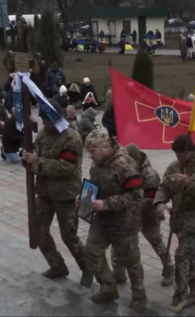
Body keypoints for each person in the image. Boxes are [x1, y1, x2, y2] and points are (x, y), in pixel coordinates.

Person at [21, 99, 88, 281]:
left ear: (55, 118)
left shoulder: (71, 137)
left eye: (46, 120)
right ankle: (57, 266)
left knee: (69, 236)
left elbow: (66, 167)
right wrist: (27, 158)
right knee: (38, 230)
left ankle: (87, 269)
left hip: (65, 195)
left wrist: (38, 162)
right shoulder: (43, 134)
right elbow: (35, 154)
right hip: (44, 192)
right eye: (42, 120)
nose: (44, 124)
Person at [83, 130, 146, 311]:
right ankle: (108, 287)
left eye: (92, 151)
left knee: (130, 260)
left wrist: (108, 203)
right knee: (92, 250)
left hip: (125, 221)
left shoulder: (125, 165)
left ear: (105, 147)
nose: (90, 155)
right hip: (103, 218)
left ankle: (139, 296)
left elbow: (136, 195)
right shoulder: (96, 165)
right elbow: (94, 187)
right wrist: (86, 199)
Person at [153, 134, 195, 313]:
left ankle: (180, 295)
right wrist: (159, 203)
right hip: (179, 221)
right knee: (190, 257)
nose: (178, 158)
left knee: (181, 255)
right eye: (176, 154)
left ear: (190, 150)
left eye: (181, 154)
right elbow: (164, 187)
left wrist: (189, 184)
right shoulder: (174, 167)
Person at [111, 144, 174, 287]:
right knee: (119, 244)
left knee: (156, 242)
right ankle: (118, 273)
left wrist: (129, 202)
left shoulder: (150, 175)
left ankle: (169, 268)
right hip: (128, 215)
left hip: (147, 216)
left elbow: (150, 200)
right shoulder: (125, 170)